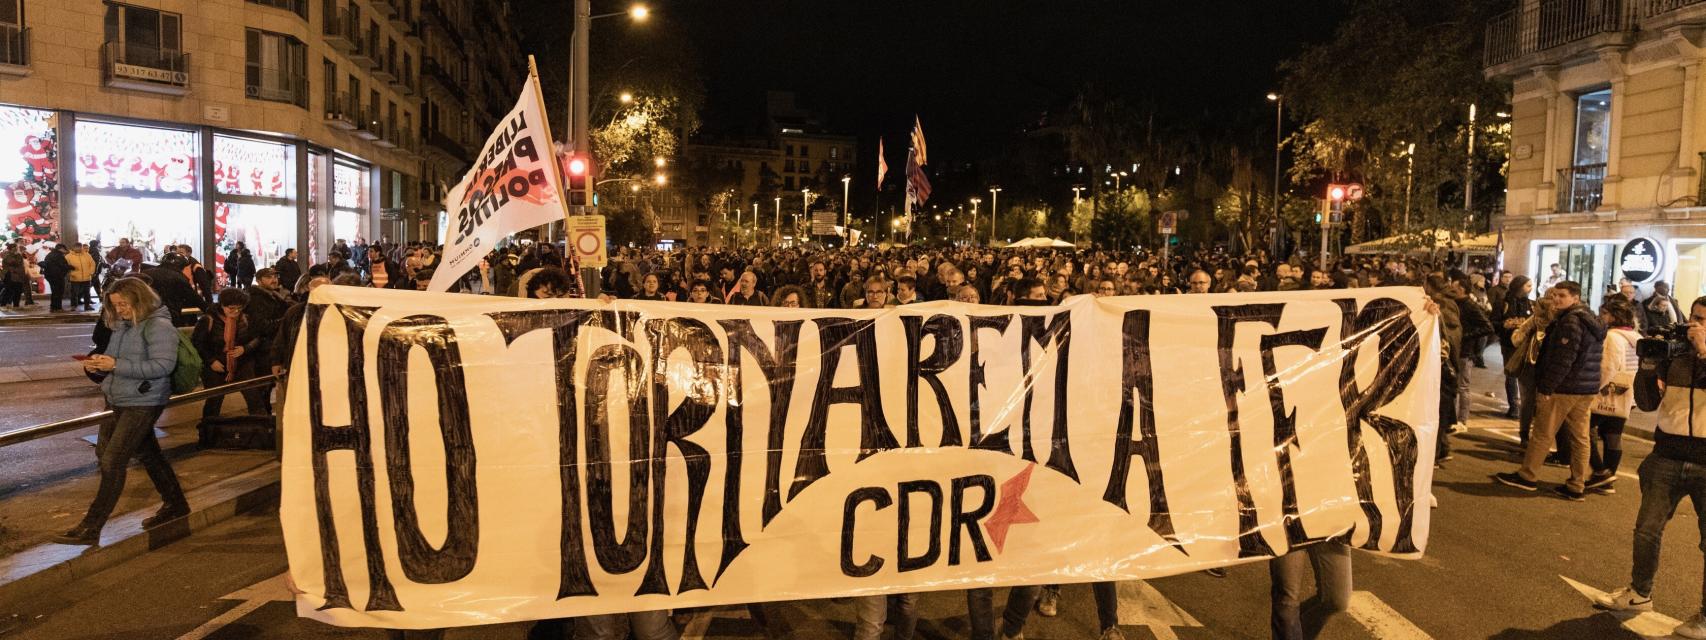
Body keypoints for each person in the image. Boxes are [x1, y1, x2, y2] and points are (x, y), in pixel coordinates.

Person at [1595, 295, 1706, 640]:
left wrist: (1704, 354)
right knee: (1646, 530)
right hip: (1666, 455)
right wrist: (1647, 366)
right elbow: (1645, 403)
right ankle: (1639, 594)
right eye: (1694, 317)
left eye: (1704, 320)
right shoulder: (1674, 355)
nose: (1695, 325)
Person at [54, 277, 188, 545]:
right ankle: (176, 504)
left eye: (123, 304)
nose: (119, 310)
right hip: (118, 397)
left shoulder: (158, 325)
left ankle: (91, 526)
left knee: (112, 460)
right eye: (115, 306)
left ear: (140, 300)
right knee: (147, 454)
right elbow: (113, 360)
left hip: (143, 400)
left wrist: (115, 365)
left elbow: (162, 366)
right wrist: (98, 366)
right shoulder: (123, 326)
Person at [1495, 281, 1606, 500]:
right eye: (1554, 295)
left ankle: (1528, 476)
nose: (1556, 300)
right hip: (1586, 388)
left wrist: (1546, 387)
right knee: (1580, 437)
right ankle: (1577, 484)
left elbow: (1563, 360)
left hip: (1565, 387)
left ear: (1575, 298)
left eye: (1562, 296)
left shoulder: (1570, 322)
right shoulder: (1591, 320)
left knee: (1543, 433)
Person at [1586, 297, 1641, 494]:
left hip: (1610, 391)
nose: (1602, 317)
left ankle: (1601, 472)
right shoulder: (1636, 337)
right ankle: (1607, 480)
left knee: (1584, 429)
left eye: (1605, 314)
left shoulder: (1613, 337)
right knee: (1613, 434)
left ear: (1614, 317)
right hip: (1629, 394)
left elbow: (1608, 368)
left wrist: (1594, 390)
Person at [193, 288, 265, 419]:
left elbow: (257, 337)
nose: (236, 312)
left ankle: (260, 430)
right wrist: (211, 361)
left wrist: (245, 348)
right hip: (216, 365)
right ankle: (208, 432)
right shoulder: (208, 320)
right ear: (222, 305)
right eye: (231, 308)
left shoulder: (245, 318)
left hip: (242, 362)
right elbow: (198, 343)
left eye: (239, 308)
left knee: (253, 397)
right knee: (214, 400)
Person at [1495, 276, 1535, 419]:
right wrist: (1505, 325)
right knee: (1511, 375)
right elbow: (1493, 323)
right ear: (1519, 286)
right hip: (1509, 344)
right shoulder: (1503, 303)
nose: (1530, 288)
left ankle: (1525, 406)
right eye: (1528, 285)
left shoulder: (1531, 304)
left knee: (1525, 376)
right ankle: (1514, 407)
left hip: (1526, 344)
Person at [67, 242, 98, 310]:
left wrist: (91, 272)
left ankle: (87, 306)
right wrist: (71, 274)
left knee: (87, 293)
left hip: (86, 278)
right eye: (76, 247)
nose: (78, 249)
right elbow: (66, 266)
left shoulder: (87, 255)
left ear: (81, 247)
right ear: (73, 248)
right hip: (75, 278)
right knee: (74, 293)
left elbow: (92, 264)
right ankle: (73, 306)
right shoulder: (68, 256)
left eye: (80, 247)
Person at [41, 243, 70, 312]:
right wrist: (69, 267)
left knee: (54, 292)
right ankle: (57, 308)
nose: (65, 250)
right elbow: (62, 265)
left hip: (50, 276)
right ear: (61, 249)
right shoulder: (59, 255)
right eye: (64, 249)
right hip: (57, 276)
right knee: (59, 292)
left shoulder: (50, 254)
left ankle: (53, 307)